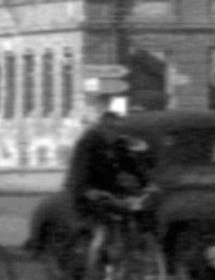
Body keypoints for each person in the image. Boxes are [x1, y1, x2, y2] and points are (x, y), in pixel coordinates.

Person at [59, 95, 153, 257]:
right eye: (110, 129)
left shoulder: (118, 143)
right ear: (102, 126)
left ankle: (124, 256)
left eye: (117, 129)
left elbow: (132, 165)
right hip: (86, 192)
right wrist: (87, 190)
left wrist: (147, 184)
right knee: (100, 229)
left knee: (133, 213)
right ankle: (92, 263)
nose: (114, 133)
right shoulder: (88, 143)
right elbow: (79, 171)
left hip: (109, 191)